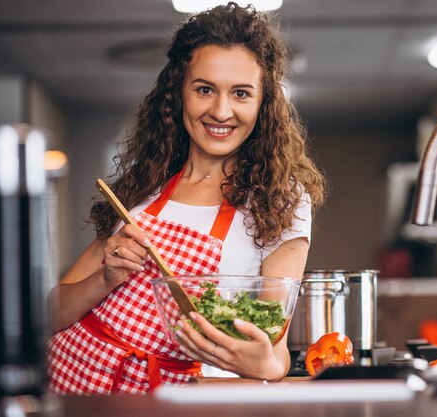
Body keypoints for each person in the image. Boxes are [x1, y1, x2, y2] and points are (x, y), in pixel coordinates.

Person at [47, 2, 325, 395]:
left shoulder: (279, 201)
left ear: (263, 104)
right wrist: (105, 278)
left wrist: (266, 364)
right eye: (205, 89)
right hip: (75, 380)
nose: (221, 110)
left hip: (177, 396)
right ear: (179, 93)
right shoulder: (147, 182)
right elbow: (50, 313)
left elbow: (274, 354)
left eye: (241, 93)